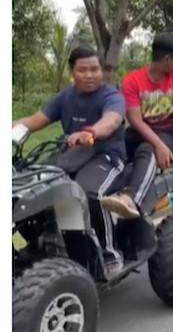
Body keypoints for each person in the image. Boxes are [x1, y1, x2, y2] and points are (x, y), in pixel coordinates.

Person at [13, 46, 128, 275]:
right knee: (31, 189)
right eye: (83, 70)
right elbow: (37, 120)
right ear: (72, 72)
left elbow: (112, 120)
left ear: (101, 71)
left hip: (106, 156)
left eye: (94, 69)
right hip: (71, 156)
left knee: (89, 193)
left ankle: (109, 253)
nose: (89, 75)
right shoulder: (66, 96)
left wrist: (91, 132)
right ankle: (38, 245)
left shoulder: (111, 96)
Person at [100, 32, 173, 219]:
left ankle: (131, 198)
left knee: (148, 149)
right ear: (167, 59)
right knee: (112, 146)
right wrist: (158, 144)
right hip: (139, 131)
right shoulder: (132, 81)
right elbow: (135, 120)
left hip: (169, 134)